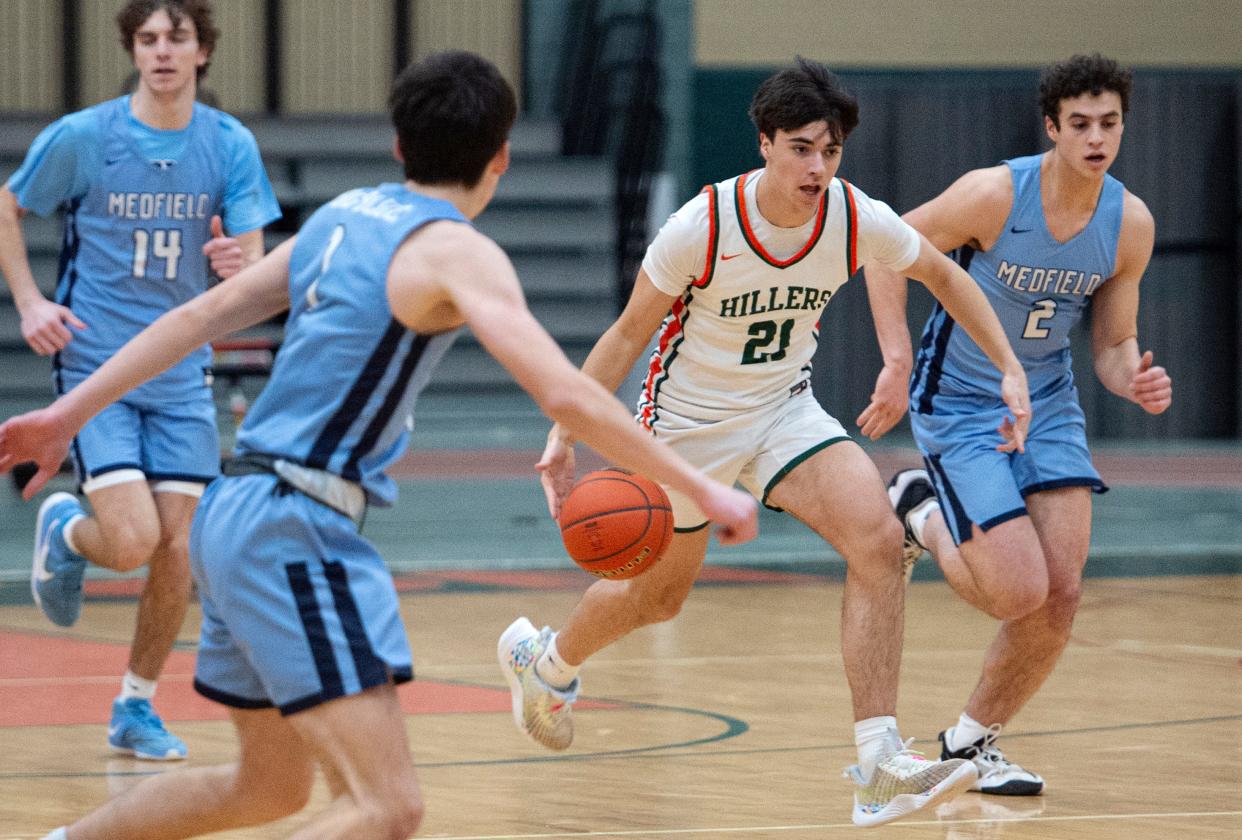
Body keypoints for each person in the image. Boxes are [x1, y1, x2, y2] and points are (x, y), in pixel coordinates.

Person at [1, 50, 757, 840]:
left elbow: (196, 319)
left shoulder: (341, 217)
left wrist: (63, 416)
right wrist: (702, 489)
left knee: (264, 788)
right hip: (293, 526)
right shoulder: (458, 252)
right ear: (500, 156)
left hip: (229, 516)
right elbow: (565, 391)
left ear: (399, 146)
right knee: (388, 807)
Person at [499, 57, 1034, 828]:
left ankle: (880, 763)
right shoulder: (702, 226)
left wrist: (1009, 367)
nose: (818, 167)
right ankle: (545, 665)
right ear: (765, 144)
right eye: (802, 149)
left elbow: (946, 279)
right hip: (684, 428)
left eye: (831, 151)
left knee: (880, 544)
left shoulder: (853, 216)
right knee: (659, 598)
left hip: (784, 410)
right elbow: (625, 334)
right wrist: (564, 430)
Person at [860, 54, 1173, 796]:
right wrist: (898, 361)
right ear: (1052, 127)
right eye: (1081, 124)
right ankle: (919, 509)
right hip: (961, 399)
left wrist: (1131, 377)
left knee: (1060, 595)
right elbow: (885, 248)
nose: (1097, 138)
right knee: (1015, 593)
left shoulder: (1129, 224)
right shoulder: (995, 194)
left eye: (1110, 123)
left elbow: (1110, 344)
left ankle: (969, 745)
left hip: (1049, 399)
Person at [0, 0, 280, 761]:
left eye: (176, 38)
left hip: (181, 372)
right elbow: (8, 203)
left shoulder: (228, 145)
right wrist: (30, 302)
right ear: (134, 50)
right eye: (148, 39)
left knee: (178, 551)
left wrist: (239, 265)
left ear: (201, 52)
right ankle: (65, 526)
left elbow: (252, 261)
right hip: (97, 366)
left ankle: (135, 706)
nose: (162, 51)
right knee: (130, 543)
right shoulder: (87, 137)